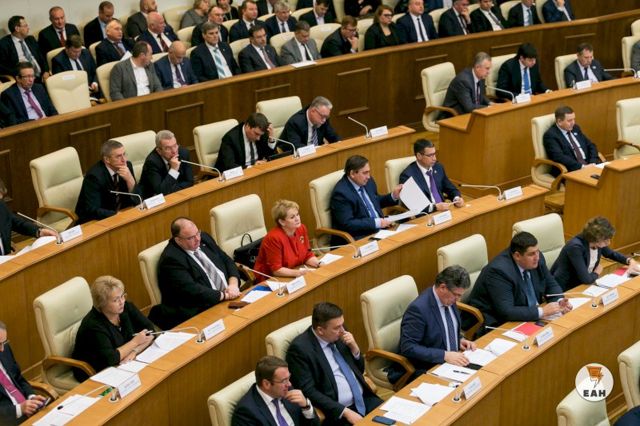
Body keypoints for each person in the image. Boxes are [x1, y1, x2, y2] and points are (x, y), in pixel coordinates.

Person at [287, 302, 383, 425]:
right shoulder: (300, 350)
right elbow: (309, 391)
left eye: (342, 325)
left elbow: (359, 370)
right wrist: (344, 412)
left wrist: (355, 349)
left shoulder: (339, 333)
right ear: (320, 330)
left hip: (365, 399)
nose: (342, 330)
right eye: (337, 327)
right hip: (338, 413)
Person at [466, 232, 572, 331]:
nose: (537, 257)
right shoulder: (499, 271)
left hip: (529, 315)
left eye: (537, 251)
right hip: (500, 323)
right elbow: (507, 311)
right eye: (531, 254)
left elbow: (551, 284)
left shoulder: (536, 259)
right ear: (517, 256)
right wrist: (542, 312)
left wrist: (559, 302)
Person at [149, 217, 241, 329]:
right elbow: (193, 290)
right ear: (178, 240)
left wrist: (233, 284)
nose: (197, 239)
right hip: (203, 309)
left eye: (198, 233)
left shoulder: (204, 238)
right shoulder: (171, 259)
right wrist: (225, 295)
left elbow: (227, 260)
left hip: (230, 296)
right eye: (190, 238)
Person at [393, 266, 476, 383]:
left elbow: (445, 327)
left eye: (460, 295)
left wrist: (459, 340)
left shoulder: (448, 299)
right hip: (425, 367)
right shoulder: (419, 309)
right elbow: (408, 347)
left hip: (452, 363)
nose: (458, 299)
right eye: (456, 295)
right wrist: (444, 355)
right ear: (442, 287)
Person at [72, 276, 155, 381]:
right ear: (102, 303)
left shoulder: (125, 307)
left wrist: (134, 351)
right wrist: (135, 342)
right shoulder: (93, 325)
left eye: (122, 296)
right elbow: (112, 358)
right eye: (116, 300)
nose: (122, 301)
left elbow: (150, 330)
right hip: (95, 371)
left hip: (123, 363)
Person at [552, 217, 638, 291]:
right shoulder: (575, 247)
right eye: (606, 240)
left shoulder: (596, 242)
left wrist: (630, 260)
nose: (608, 243)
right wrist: (597, 272)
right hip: (565, 288)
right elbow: (586, 279)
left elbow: (611, 254)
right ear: (597, 238)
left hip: (582, 284)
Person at [330, 155, 401, 242]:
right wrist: (376, 223)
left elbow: (375, 202)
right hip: (359, 237)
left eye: (369, 172)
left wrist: (393, 196)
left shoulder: (368, 181)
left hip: (381, 230)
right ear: (352, 174)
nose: (368, 176)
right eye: (365, 173)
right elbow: (348, 224)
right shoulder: (341, 194)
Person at [231, 355, 319, 426]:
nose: (289, 384)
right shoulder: (246, 412)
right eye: (284, 380)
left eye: (288, 378)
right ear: (266, 384)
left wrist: (306, 407)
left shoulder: (288, 391)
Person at [75, 139, 143, 223]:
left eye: (124, 154)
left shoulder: (127, 166)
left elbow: (138, 200)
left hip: (122, 214)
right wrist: (117, 215)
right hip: (96, 220)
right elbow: (92, 210)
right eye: (118, 156)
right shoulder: (94, 176)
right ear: (107, 159)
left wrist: (130, 181)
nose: (124, 160)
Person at [254, 200, 320, 281]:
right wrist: (299, 273)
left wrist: (320, 264)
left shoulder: (301, 228)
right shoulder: (274, 238)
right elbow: (276, 270)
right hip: (272, 279)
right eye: (292, 217)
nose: (297, 219)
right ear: (282, 222)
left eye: (297, 214)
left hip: (295, 270)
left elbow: (307, 255)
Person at [0, 321, 48, 424]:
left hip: (28, 411)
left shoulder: (5, 349)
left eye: (3, 343)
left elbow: (18, 378)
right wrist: (20, 409)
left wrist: (31, 396)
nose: (2, 349)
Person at [399, 139, 463, 214]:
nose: (434, 158)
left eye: (434, 154)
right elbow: (413, 204)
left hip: (443, 211)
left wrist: (456, 198)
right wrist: (435, 207)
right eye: (430, 155)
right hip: (425, 215)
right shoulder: (407, 176)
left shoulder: (438, 167)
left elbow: (450, 188)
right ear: (419, 156)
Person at [543, 105, 601, 176]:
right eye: (569, 120)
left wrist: (593, 162)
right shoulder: (551, 135)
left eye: (574, 119)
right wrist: (582, 167)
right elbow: (559, 157)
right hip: (571, 170)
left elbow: (591, 145)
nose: (573, 123)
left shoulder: (575, 128)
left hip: (590, 165)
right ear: (559, 121)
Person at [139, 130, 194, 198]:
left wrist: (171, 190)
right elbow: (161, 192)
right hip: (153, 198)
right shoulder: (152, 162)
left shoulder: (183, 153)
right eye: (168, 148)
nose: (174, 151)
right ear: (159, 151)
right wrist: (173, 170)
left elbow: (190, 181)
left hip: (176, 195)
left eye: (175, 145)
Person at [441, 51, 491, 117]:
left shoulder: (481, 76)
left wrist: (491, 103)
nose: (489, 72)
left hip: (469, 114)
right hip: (452, 116)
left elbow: (480, 95)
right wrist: (488, 108)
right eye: (487, 68)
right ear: (477, 67)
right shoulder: (463, 81)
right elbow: (469, 107)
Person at [0, 16, 50, 81]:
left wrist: (46, 71)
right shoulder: (4, 44)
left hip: (42, 76)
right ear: (17, 29)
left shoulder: (31, 39)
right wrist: (20, 73)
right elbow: (2, 67)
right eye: (25, 26)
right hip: (24, 79)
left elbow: (42, 57)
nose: (28, 28)